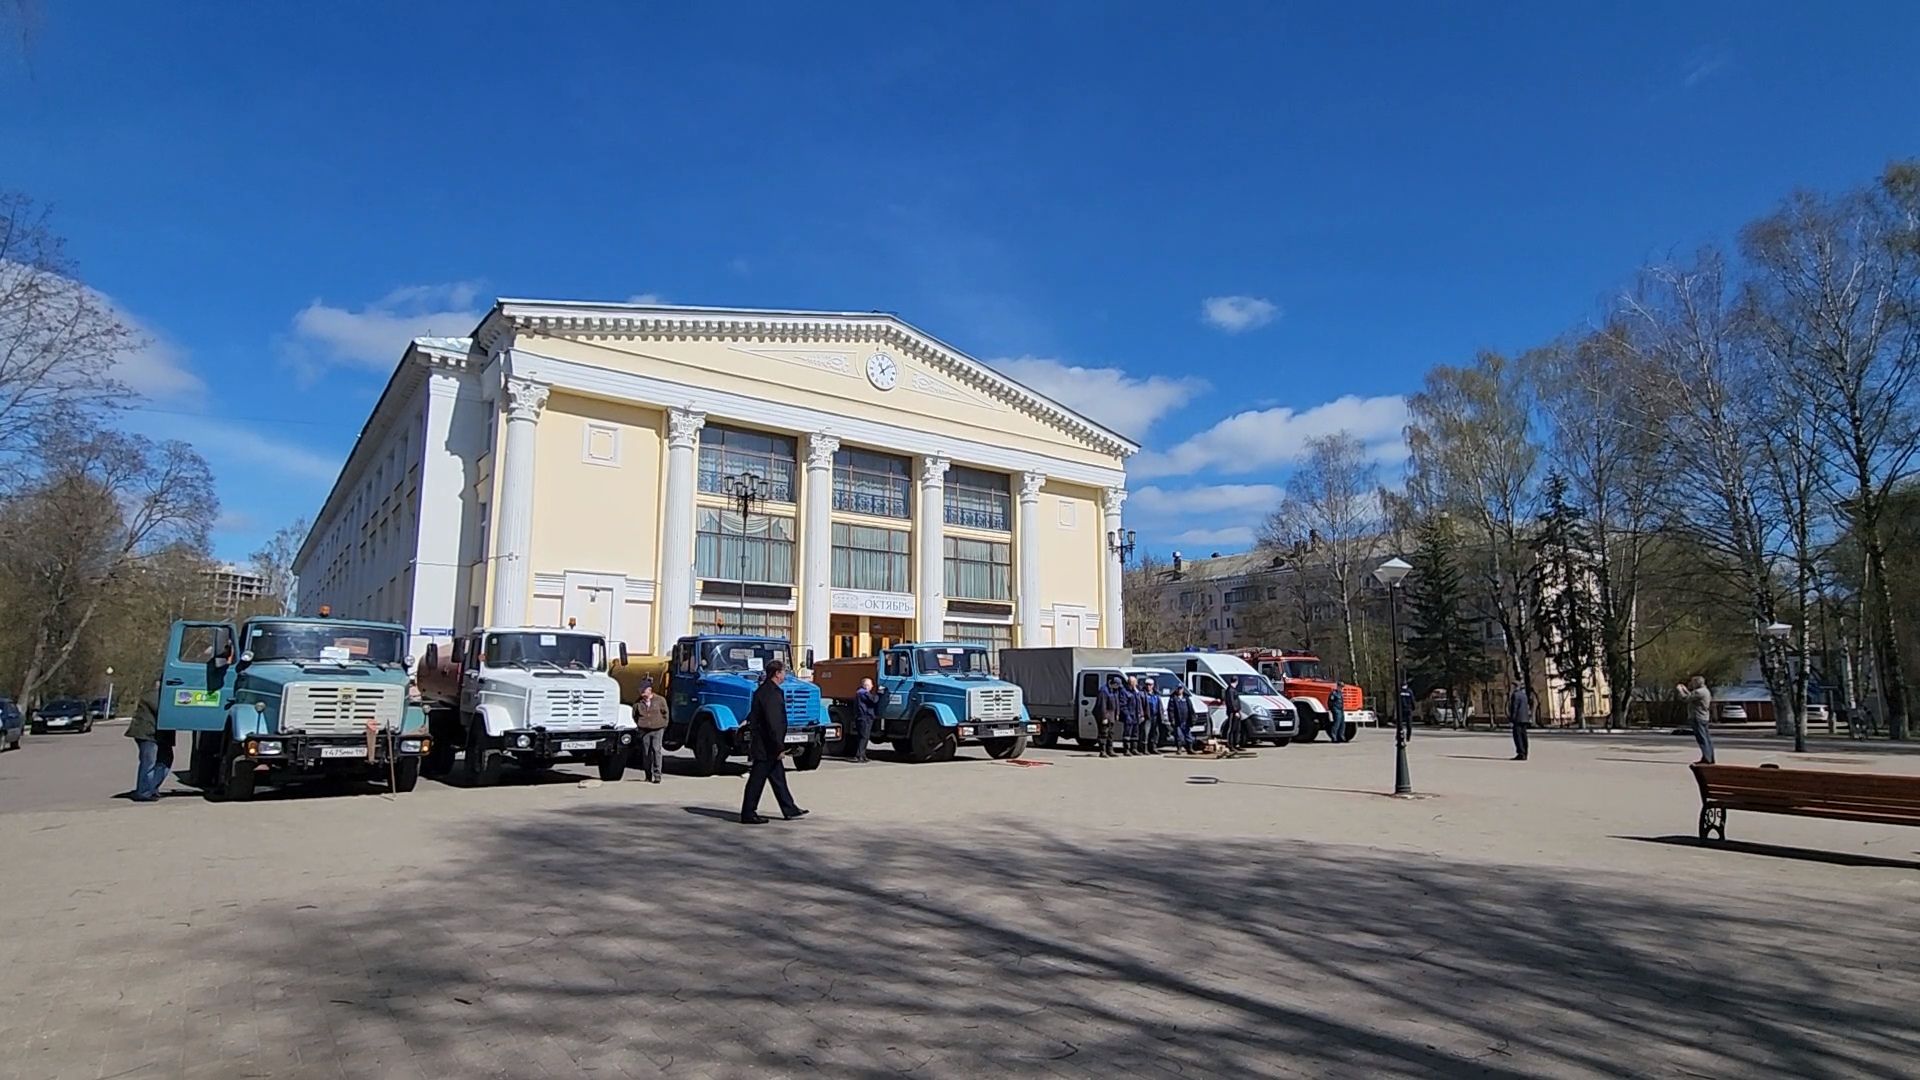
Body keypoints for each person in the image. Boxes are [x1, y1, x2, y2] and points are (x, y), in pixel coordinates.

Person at [740, 659, 806, 824]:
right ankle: (748, 813)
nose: (785, 675)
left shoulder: (763, 691)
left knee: (778, 778)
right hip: (767, 745)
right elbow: (773, 722)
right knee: (757, 780)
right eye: (784, 671)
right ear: (777, 673)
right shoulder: (771, 693)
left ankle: (789, 809)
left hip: (765, 743)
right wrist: (779, 746)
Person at [126, 681, 168, 803]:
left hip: (156, 734)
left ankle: (150, 788)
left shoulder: (157, 695)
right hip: (146, 733)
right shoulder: (152, 695)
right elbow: (162, 709)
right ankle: (144, 791)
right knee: (149, 762)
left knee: (165, 760)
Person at [632, 679, 669, 783]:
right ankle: (648, 775)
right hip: (644, 730)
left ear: (650, 690)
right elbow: (634, 715)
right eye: (641, 691)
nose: (642, 693)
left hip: (657, 729)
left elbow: (665, 713)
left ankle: (657, 775)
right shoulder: (638, 703)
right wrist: (640, 725)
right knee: (646, 752)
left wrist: (663, 725)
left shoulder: (660, 700)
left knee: (656, 750)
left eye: (644, 691)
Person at [1678, 675, 1715, 764]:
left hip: (1697, 717)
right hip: (1704, 717)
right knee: (1706, 739)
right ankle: (1710, 757)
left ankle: (1707, 759)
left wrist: (1680, 690)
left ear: (1697, 683)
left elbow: (1686, 698)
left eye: (1693, 682)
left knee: (1702, 739)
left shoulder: (1699, 692)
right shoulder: (1705, 691)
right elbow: (1691, 696)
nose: (1691, 684)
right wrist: (1685, 690)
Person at [849, 678, 886, 762]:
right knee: (864, 737)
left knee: (863, 737)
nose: (872, 686)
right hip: (865, 717)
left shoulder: (859, 693)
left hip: (862, 717)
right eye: (870, 685)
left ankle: (862, 755)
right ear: (866, 685)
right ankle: (859, 756)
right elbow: (874, 700)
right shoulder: (863, 693)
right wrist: (879, 693)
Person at [1094, 676, 1121, 758]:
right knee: (1103, 733)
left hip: (1111, 714)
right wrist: (1104, 717)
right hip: (1104, 715)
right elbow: (1102, 705)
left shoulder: (1114, 690)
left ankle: (1110, 750)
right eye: (1118, 685)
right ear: (1114, 684)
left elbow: (1116, 703)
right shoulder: (1104, 690)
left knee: (1111, 733)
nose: (1119, 687)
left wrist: (1117, 713)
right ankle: (1103, 751)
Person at [1167, 686, 1197, 754]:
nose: (1179, 690)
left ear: (1183, 689)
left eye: (1181, 689)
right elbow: (1170, 711)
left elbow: (1191, 709)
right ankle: (1179, 749)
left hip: (1186, 721)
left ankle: (1190, 748)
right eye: (1178, 689)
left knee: (1188, 735)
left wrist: (1193, 719)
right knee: (1179, 736)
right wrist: (1172, 720)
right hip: (1178, 721)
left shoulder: (1186, 698)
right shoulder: (1173, 698)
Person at [1507, 681, 1531, 761]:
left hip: (1518, 719)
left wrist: (1512, 719)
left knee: (1518, 736)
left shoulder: (1515, 695)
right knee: (1524, 736)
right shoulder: (1524, 695)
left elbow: (1515, 708)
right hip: (1525, 718)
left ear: (1515, 687)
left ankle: (1521, 753)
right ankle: (1525, 752)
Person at [1221, 680, 1244, 752]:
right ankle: (1231, 745)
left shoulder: (1233, 690)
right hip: (1232, 712)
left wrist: (1238, 711)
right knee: (1232, 729)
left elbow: (1236, 701)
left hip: (1236, 712)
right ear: (1236, 682)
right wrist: (1235, 711)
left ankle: (1236, 744)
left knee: (1237, 729)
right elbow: (1231, 702)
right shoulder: (1230, 690)